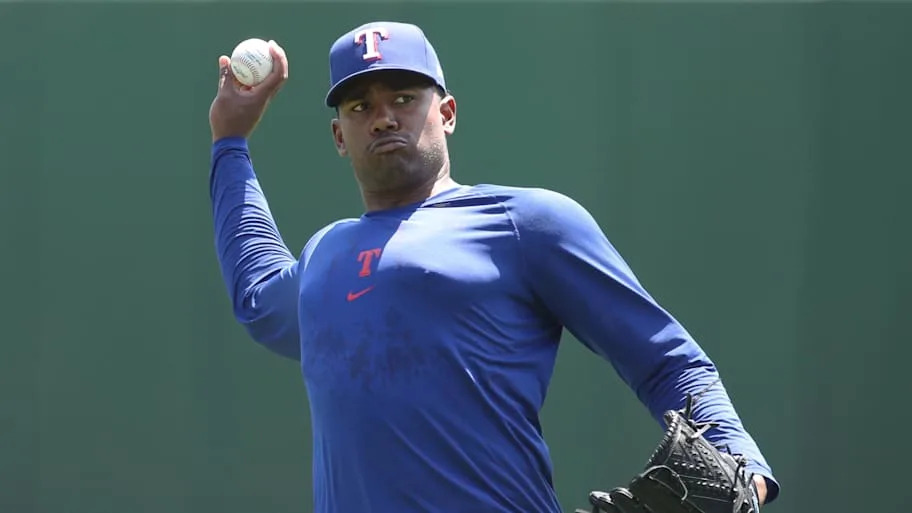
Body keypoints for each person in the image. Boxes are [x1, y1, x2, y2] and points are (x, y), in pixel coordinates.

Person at [207, 20, 779, 513]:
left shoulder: (525, 223)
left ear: (447, 112)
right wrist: (229, 141)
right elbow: (258, 297)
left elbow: (665, 360)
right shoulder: (324, 254)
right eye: (361, 107)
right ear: (339, 136)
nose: (383, 118)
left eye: (405, 97)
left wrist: (740, 463)